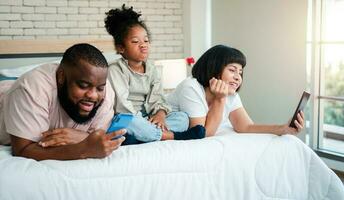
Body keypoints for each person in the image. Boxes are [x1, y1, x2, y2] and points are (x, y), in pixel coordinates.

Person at [0, 43, 125, 160]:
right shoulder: (31, 88)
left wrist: (81, 138)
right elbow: (22, 149)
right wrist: (82, 149)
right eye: (83, 85)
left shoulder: (106, 95)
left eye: (100, 88)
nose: (93, 95)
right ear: (61, 76)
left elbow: (97, 140)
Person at [104, 4, 205, 144]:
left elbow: (157, 99)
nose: (143, 45)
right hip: (127, 118)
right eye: (135, 41)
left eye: (146, 40)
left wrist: (160, 115)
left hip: (147, 120)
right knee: (131, 123)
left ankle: (143, 137)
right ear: (121, 48)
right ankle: (169, 136)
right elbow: (122, 106)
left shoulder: (152, 69)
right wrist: (143, 122)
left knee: (182, 117)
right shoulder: (115, 70)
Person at [167, 45, 305, 136]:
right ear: (213, 68)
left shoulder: (230, 94)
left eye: (240, 72)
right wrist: (220, 99)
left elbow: (245, 127)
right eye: (232, 70)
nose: (238, 77)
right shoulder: (191, 87)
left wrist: (283, 129)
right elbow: (202, 134)